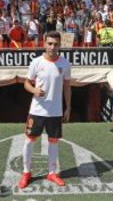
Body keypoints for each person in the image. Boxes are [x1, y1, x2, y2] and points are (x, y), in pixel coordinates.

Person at [18, 31, 71, 189]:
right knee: (29, 141)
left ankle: (52, 173)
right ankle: (27, 173)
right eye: (49, 43)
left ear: (60, 45)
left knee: (53, 143)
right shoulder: (36, 62)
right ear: (44, 44)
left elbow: (67, 87)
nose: (52, 47)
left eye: (55, 44)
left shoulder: (65, 64)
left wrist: (68, 108)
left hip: (55, 111)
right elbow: (26, 83)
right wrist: (34, 90)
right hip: (37, 110)